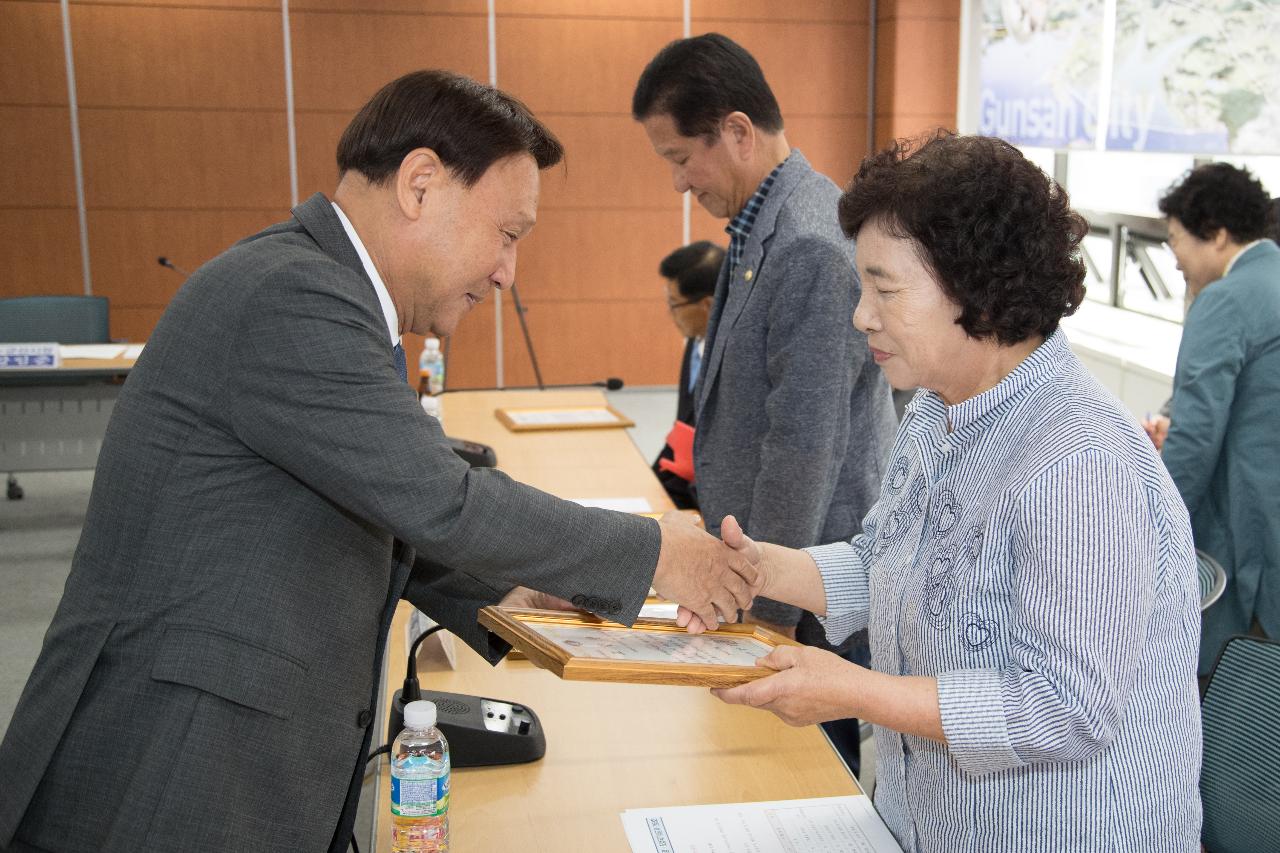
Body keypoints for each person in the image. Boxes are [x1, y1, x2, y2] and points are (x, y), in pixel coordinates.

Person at [0, 70, 758, 853]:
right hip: (169, 772)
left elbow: (382, 508)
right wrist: (659, 552)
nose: (507, 273)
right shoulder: (293, 294)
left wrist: (519, 584)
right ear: (421, 184)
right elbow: (442, 500)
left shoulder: (336, 300)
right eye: (508, 234)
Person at [697, 134, 1203, 852]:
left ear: (975, 286)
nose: (861, 315)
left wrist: (853, 690)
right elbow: (886, 562)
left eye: (885, 289)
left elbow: (1063, 707)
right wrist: (757, 569)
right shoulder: (937, 412)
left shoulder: (1078, 459)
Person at [633, 33, 897, 772]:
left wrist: (762, 618)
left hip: (804, 598)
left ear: (739, 131)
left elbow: (803, 448)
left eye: (681, 158)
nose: (680, 183)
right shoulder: (759, 227)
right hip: (762, 574)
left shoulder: (811, 241)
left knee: (800, 791)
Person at [1148, 163, 1280, 675]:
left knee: (1232, 698)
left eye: (1177, 239)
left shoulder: (1226, 299)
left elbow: (1196, 436)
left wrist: (1156, 530)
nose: (1175, 257)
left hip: (1247, 535)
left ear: (1218, 235)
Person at [652, 240, 723, 509]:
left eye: (675, 305)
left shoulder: (732, 356)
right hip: (679, 480)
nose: (671, 315)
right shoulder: (696, 339)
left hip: (706, 497)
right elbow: (684, 425)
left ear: (707, 305)